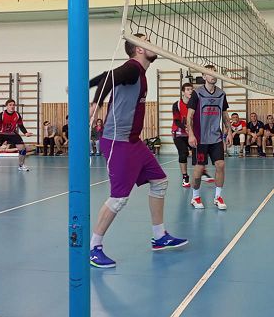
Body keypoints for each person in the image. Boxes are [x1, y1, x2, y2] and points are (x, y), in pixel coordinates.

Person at [88, 34, 187, 268]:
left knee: (160, 181)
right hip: (117, 141)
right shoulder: (132, 68)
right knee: (119, 198)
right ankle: (93, 248)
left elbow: (107, 76)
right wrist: (97, 103)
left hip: (133, 141)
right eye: (147, 41)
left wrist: (88, 83)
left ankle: (159, 236)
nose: (153, 44)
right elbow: (111, 77)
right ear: (139, 49)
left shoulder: (137, 72)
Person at [187, 65, 232, 210]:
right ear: (204, 76)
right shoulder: (197, 94)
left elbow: (225, 114)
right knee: (199, 168)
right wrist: (191, 134)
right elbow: (189, 116)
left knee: (221, 165)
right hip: (200, 138)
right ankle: (195, 197)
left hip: (216, 137)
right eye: (209, 73)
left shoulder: (221, 94)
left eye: (215, 73)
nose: (213, 75)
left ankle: (218, 197)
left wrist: (229, 132)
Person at [172, 83, 216, 188]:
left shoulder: (196, 103)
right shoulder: (177, 104)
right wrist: (186, 127)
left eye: (191, 89)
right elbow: (176, 120)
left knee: (200, 152)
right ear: (183, 92)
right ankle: (185, 177)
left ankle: (203, 172)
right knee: (183, 153)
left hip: (193, 133)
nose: (190, 91)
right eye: (188, 89)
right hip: (179, 134)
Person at [0, 99, 33, 174]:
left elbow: (21, 125)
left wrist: (25, 133)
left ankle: (21, 165)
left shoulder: (17, 114)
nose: (12, 106)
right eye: (10, 105)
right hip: (1, 133)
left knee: (22, 148)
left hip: (12, 133)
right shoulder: (2, 114)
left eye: (13, 105)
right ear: (7, 106)